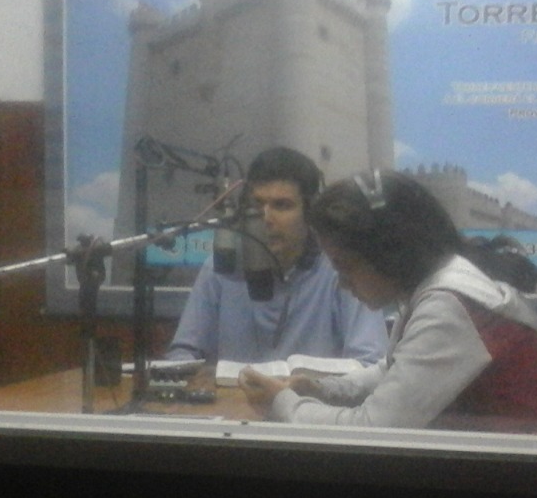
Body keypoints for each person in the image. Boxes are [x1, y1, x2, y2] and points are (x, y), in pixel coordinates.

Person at [238, 170, 537, 430]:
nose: (342, 282)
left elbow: (373, 429)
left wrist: (281, 403)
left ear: (389, 255)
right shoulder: (440, 285)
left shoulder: (449, 308)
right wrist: (323, 389)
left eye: (345, 266)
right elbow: (395, 370)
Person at [164, 147, 389, 364]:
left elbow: (370, 361)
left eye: (282, 206)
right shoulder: (220, 268)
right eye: (256, 204)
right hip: (233, 392)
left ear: (310, 213)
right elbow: (183, 353)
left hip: (312, 392)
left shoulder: (340, 271)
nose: (266, 218)